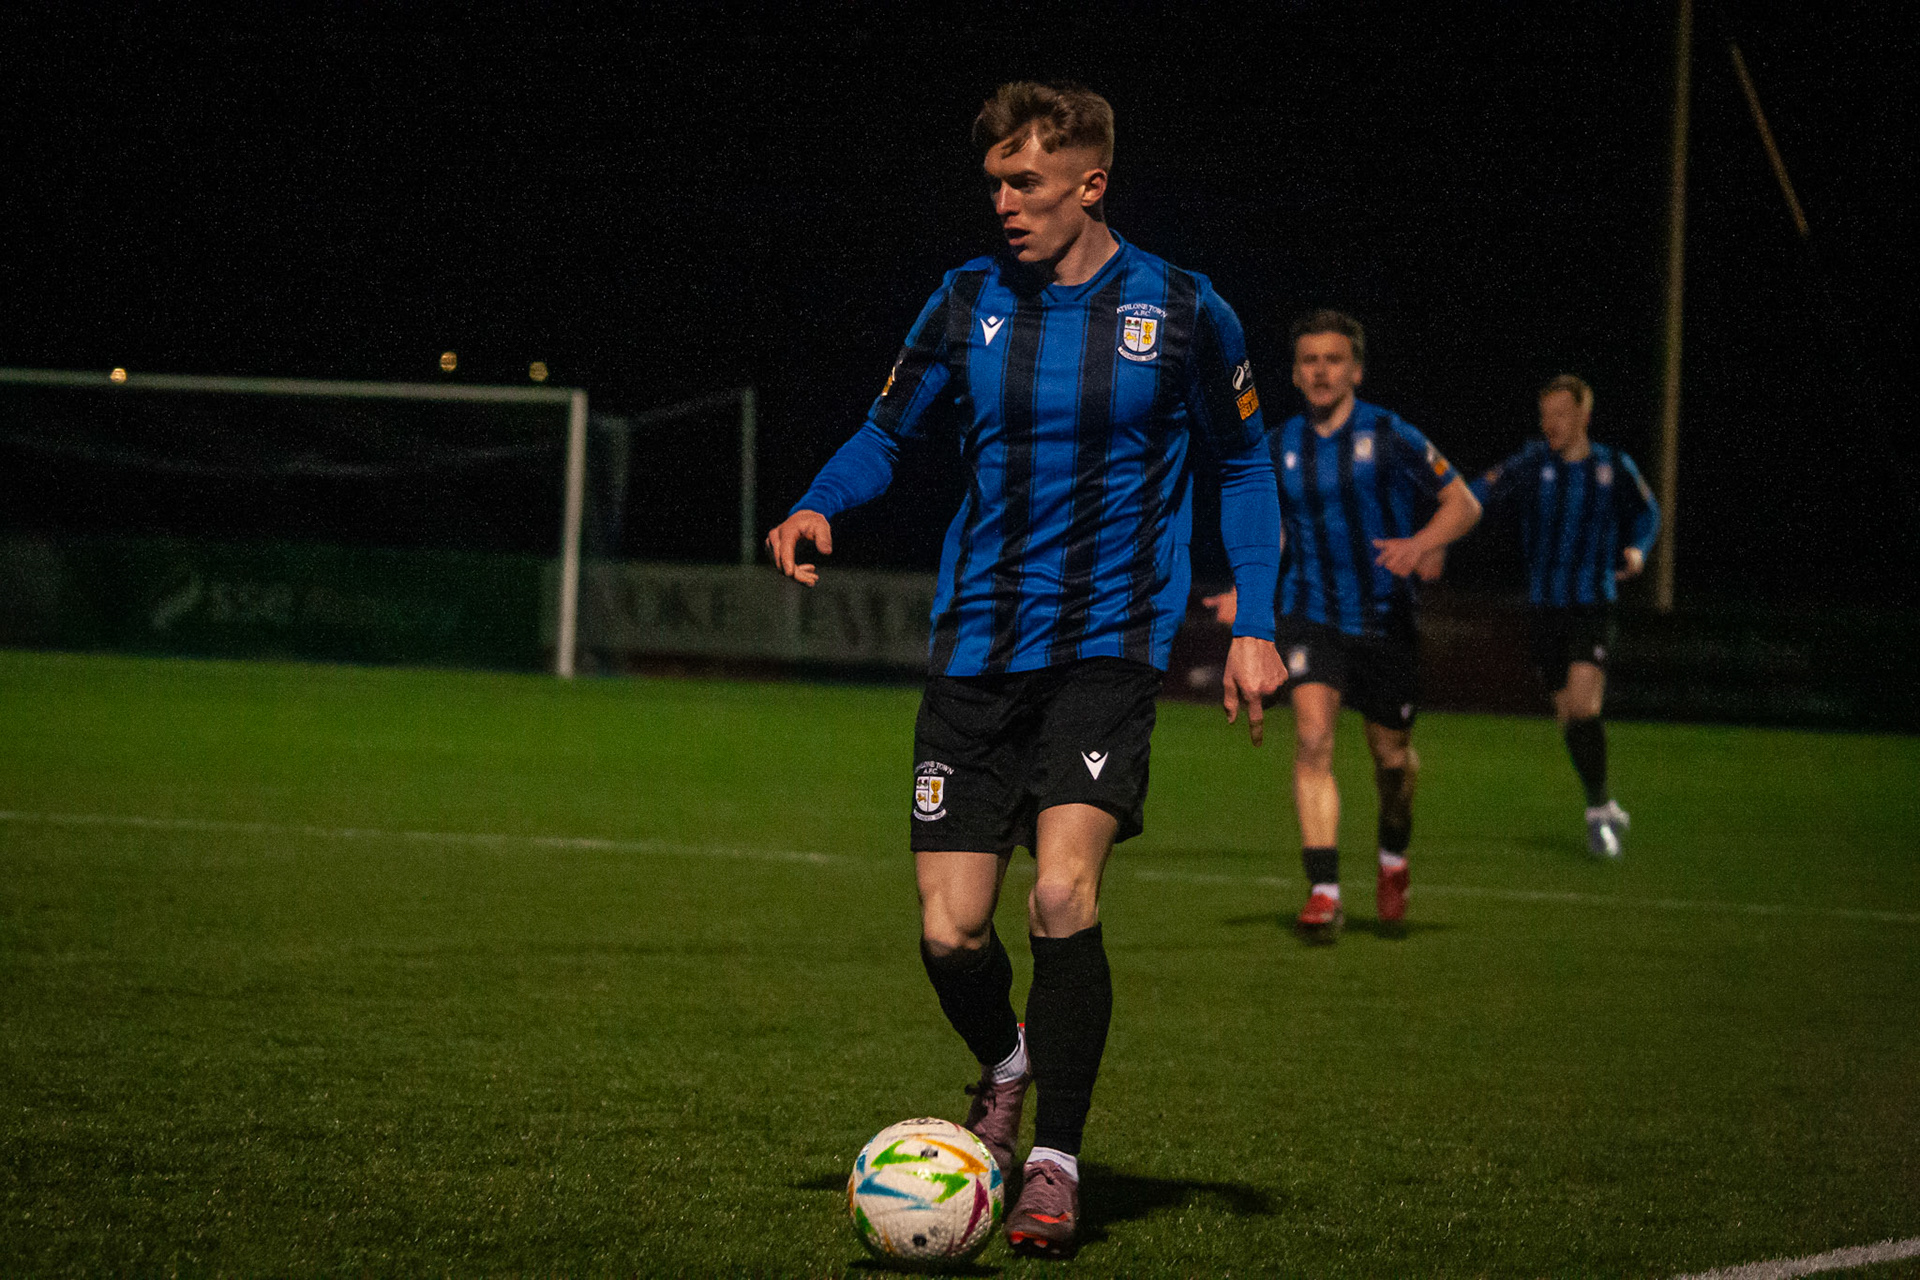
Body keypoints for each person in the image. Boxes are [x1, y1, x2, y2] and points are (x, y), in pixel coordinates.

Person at [765, 81, 1283, 1258]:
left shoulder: (1185, 309)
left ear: (1090, 184)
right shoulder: (964, 300)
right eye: (994, 182)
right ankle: (1005, 1065)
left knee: (1059, 894)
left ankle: (1055, 1157)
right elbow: (886, 432)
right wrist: (818, 499)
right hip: (976, 649)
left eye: (1027, 182)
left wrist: (1255, 619)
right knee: (951, 933)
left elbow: (1246, 465)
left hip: (1107, 646)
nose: (1003, 203)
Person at [1205, 310, 1480, 941]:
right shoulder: (1278, 444)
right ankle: (1324, 891)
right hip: (1311, 614)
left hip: (1385, 620)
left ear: (1355, 370)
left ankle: (1393, 856)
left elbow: (1463, 503)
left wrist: (1420, 544)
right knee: (1312, 740)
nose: (1321, 371)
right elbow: (1272, 531)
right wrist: (1246, 593)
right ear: (1294, 374)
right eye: (1309, 361)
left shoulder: (1389, 434)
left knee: (1392, 760)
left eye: (1333, 360)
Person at [1468, 374, 1659, 857]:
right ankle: (1602, 803)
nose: (1550, 423)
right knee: (1568, 719)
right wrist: (1442, 527)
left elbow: (1648, 512)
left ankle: (1597, 818)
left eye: (1560, 414)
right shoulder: (1532, 464)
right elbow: (1478, 492)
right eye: (1545, 415)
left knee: (1583, 706)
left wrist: (1638, 550)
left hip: (1591, 603)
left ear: (1583, 417)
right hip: (1543, 610)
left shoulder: (1612, 466)